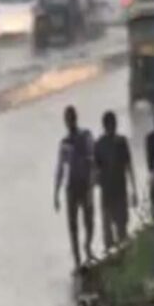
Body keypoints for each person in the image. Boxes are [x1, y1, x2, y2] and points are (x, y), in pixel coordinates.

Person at [54, 105, 95, 270]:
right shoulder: (64, 143)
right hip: (71, 186)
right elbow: (60, 169)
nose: (69, 122)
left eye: (71, 118)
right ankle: (77, 260)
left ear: (75, 119)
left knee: (89, 221)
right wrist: (55, 193)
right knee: (73, 226)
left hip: (84, 184)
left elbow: (93, 162)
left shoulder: (86, 136)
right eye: (67, 119)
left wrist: (92, 184)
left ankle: (87, 246)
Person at [94, 111, 137, 251]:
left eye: (113, 125)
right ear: (107, 126)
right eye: (111, 125)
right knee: (111, 233)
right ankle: (116, 258)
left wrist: (134, 190)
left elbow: (129, 166)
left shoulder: (119, 142)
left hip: (116, 193)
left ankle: (120, 258)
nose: (113, 127)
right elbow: (96, 171)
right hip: (110, 194)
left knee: (120, 229)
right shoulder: (101, 145)